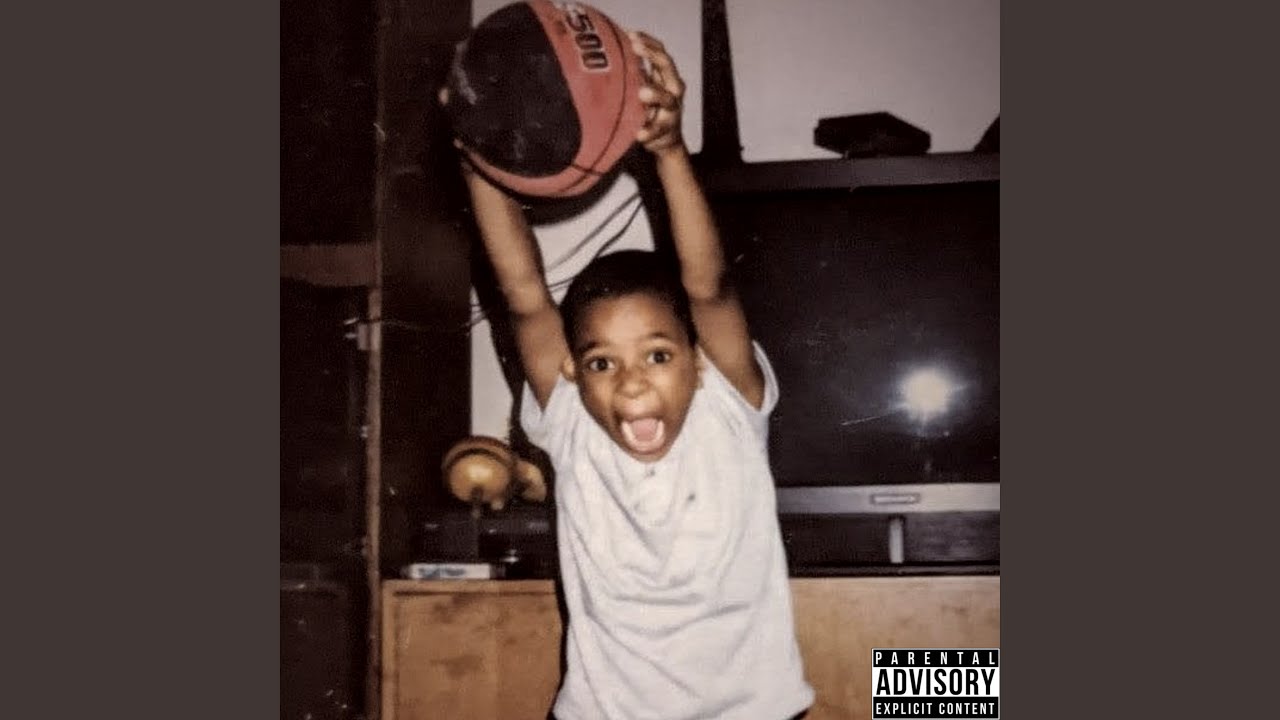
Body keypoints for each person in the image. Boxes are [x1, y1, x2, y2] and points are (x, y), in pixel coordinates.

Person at [456, 30, 814, 720]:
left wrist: (669, 150)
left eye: (657, 354)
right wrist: (480, 154)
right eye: (601, 363)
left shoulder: (726, 411)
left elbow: (709, 287)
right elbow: (524, 294)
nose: (631, 383)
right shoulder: (571, 424)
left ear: (699, 361)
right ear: (572, 372)